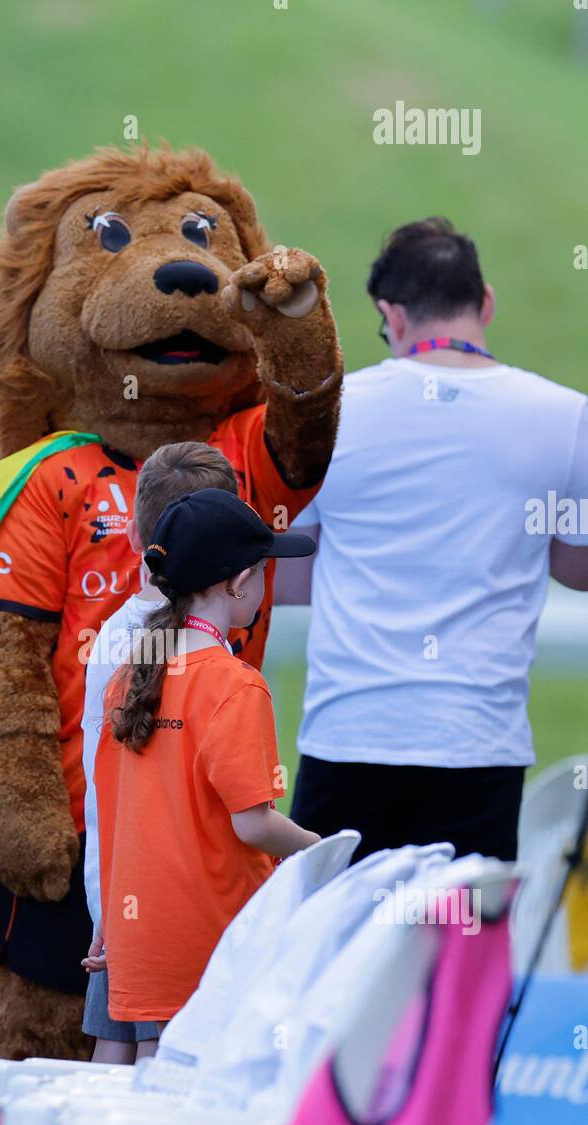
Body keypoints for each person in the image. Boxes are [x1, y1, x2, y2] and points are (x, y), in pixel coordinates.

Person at [276, 217, 588, 862]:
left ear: (390, 313)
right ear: (486, 302)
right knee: (461, 958)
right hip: (478, 745)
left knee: (326, 952)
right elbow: (576, 568)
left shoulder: (330, 410)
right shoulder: (565, 415)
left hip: (347, 736)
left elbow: (288, 573)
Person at [92, 488, 320, 1030]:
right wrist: (322, 848)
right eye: (264, 570)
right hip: (212, 945)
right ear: (238, 582)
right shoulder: (236, 686)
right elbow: (252, 823)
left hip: (137, 943)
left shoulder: (127, 676)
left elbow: (113, 811)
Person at [80, 441, 241, 1063]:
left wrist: (104, 902)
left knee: (113, 1064)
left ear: (135, 540)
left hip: (117, 895)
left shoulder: (114, 639)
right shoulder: (199, 655)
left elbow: (104, 791)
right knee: (160, 1072)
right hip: (176, 912)